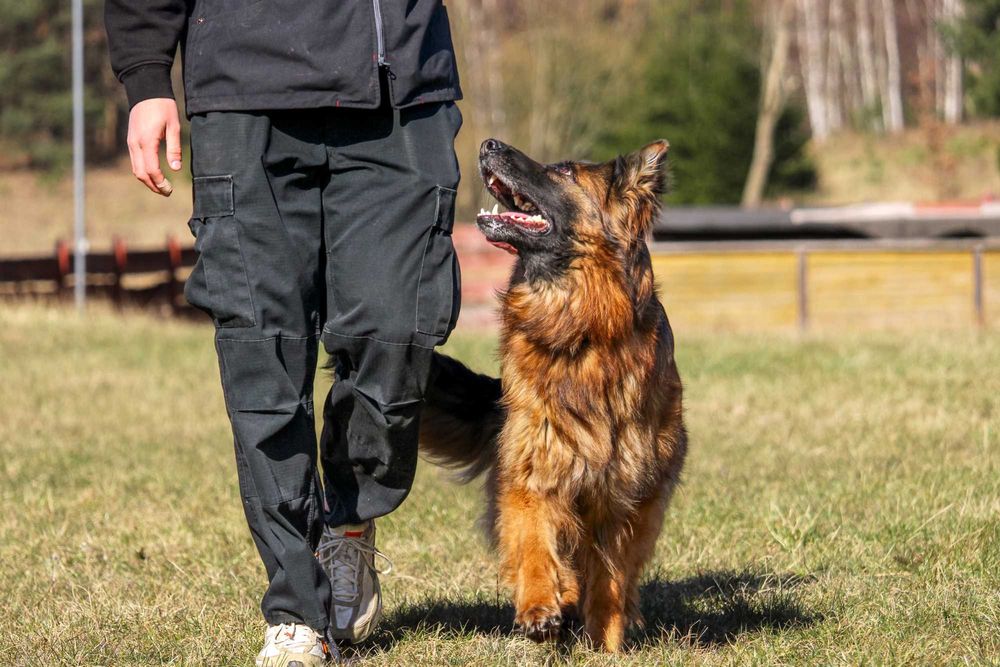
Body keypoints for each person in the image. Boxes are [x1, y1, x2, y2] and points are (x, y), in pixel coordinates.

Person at [105, 2, 464, 664]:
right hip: (243, 94)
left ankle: (349, 520)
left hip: (398, 86)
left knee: (396, 326)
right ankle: (297, 608)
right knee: (260, 351)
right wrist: (147, 76)